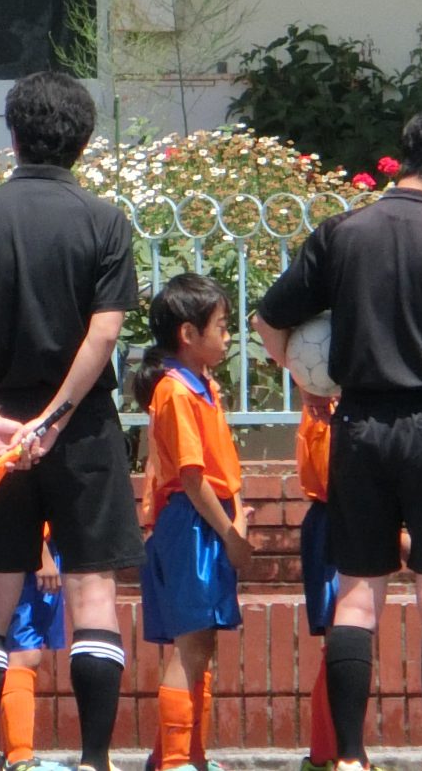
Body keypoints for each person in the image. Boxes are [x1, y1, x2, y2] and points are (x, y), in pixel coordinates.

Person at [253, 104, 422, 771]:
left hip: (360, 425)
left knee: (357, 595)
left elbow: (269, 322)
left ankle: (349, 757)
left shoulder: (341, 234)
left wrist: (308, 381)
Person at [0, 70, 145, 771]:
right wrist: (55, 418)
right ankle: (94, 760)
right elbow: (105, 333)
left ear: (14, 135)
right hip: (80, 428)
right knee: (92, 588)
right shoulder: (103, 220)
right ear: (83, 140)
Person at [134, 273, 252, 771]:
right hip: (191, 522)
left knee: (201, 643)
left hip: (208, 518)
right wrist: (229, 533)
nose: (227, 336)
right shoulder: (175, 392)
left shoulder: (203, 387)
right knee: (190, 643)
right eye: (221, 326)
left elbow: (222, 465)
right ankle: (177, 759)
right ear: (188, 333)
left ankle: (181, 755)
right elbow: (190, 474)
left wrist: (237, 517)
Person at [294, 396, 341, 771]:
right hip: (335, 521)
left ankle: (333, 751)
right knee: (341, 642)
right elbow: (331, 477)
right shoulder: (325, 407)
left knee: (345, 644)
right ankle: (328, 754)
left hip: (338, 519)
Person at [0, 532, 69, 771]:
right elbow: (20, 507)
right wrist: (41, 552)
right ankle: (19, 756)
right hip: (29, 549)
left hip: (40, 548)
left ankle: (16, 754)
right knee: (24, 651)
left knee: (27, 649)